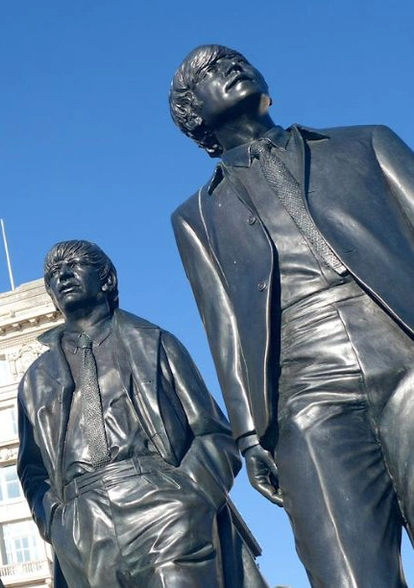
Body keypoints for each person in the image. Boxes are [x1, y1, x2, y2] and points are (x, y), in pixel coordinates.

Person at [170, 44, 414, 585]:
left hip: (404, 348)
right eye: (210, 71)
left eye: (236, 60)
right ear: (193, 114)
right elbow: (224, 328)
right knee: (347, 572)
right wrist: (249, 435)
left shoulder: (366, 143)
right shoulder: (195, 216)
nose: (232, 67)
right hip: (303, 392)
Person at [17, 240, 259, 587]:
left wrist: (192, 497)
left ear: (107, 280)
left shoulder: (155, 342)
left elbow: (212, 432)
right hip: (82, 525)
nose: (63, 276)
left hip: (162, 504)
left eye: (75, 265)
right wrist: (56, 523)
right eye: (53, 273)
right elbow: (32, 468)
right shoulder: (35, 379)